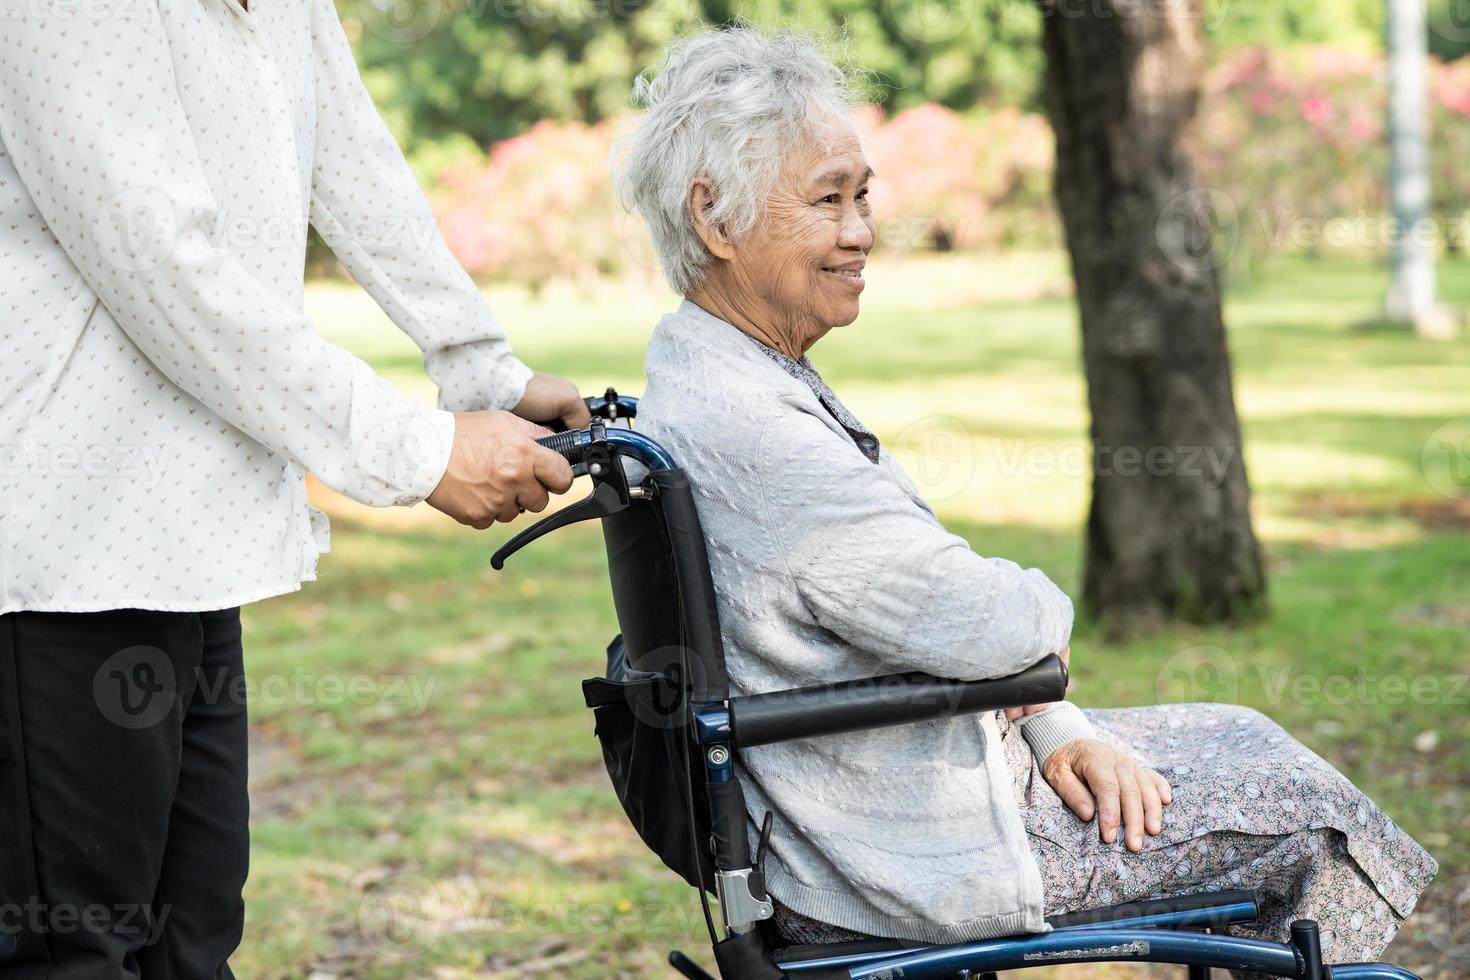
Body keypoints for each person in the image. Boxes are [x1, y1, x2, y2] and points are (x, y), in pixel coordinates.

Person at [612, 26, 1439, 966]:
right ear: (716, 220)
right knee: (1312, 816)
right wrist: (1043, 619)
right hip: (904, 852)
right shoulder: (754, 431)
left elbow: (909, 616)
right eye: (827, 201)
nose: (859, 231)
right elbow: (982, 622)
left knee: (1244, 736)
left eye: (862, 195)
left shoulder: (713, 370)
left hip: (887, 792)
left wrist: (1056, 726)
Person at [0, 1, 588, 975]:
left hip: (192, 544)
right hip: (68, 549)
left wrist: (481, 368)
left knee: (192, 945)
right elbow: (166, 270)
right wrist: (420, 451)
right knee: (73, 951)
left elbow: (355, 165)